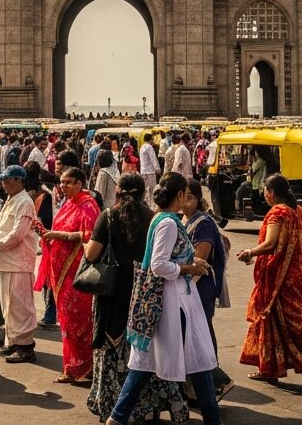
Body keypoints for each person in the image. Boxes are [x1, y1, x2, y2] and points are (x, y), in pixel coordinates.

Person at [105, 173, 221, 425]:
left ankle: (117, 417)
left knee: (148, 364)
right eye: (185, 195)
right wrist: (188, 269)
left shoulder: (161, 218)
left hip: (169, 299)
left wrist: (188, 263)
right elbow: (159, 265)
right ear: (178, 195)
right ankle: (212, 419)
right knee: (197, 359)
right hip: (171, 301)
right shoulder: (168, 223)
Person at [86, 173, 187, 423]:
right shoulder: (154, 218)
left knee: (112, 351)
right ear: (143, 193)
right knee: (145, 353)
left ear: (118, 192)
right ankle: (146, 407)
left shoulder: (107, 216)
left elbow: (91, 253)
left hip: (112, 294)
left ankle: (115, 407)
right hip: (145, 294)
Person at [237, 174, 302, 386]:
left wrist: (250, 252)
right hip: (296, 275)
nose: (264, 194)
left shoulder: (278, 212)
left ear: (271, 193)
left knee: (296, 326)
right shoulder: (298, 210)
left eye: (265, 190)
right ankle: (269, 369)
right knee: (270, 322)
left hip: (282, 280)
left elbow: (270, 244)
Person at [39, 165, 101, 383]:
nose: (63, 186)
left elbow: (91, 235)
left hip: (77, 274)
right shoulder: (68, 203)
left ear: (79, 183)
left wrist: (59, 235)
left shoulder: (88, 204)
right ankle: (72, 366)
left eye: (68, 182)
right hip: (62, 273)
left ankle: (85, 367)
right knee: (66, 321)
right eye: (62, 182)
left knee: (79, 321)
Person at [183, 178, 233, 397]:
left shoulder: (202, 222)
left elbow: (199, 258)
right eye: (180, 196)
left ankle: (217, 381)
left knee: (198, 333)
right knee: (197, 333)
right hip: (188, 287)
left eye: (188, 197)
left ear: (196, 199)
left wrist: (174, 265)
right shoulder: (182, 219)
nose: (183, 201)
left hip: (200, 286)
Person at [0, 164, 39, 363]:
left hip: (18, 262)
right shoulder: (12, 200)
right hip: (7, 262)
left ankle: (26, 347)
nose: (4, 184)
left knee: (20, 307)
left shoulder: (24, 202)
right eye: (3, 180)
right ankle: (14, 343)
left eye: (8, 180)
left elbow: (17, 234)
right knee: (9, 306)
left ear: (19, 180)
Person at [139, 133, 160, 206]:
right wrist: (157, 169)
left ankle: (145, 204)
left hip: (143, 171)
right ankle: (151, 205)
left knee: (145, 190)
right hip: (150, 172)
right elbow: (153, 159)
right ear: (150, 139)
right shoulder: (149, 147)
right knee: (151, 191)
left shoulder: (142, 147)